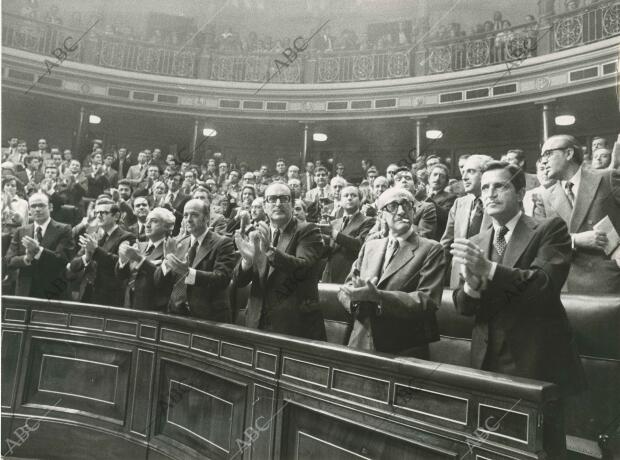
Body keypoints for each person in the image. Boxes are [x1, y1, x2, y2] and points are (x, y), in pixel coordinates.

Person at [451, 161, 586, 457]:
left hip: (536, 359)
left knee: (543, 450)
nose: (490, 193)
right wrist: (472, 285)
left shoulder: (550, 228)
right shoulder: (476, 240)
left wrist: (489, 269)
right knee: (493, 448)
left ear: (521, 191)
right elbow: (463, 306)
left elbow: (543, 286)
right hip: (486, 360)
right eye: (485, 187)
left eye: (500, 186)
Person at [338, 188, 445, 357]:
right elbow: (346, 287)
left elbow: (428, 300)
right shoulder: (370, 246)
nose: (402, 211)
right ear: (381, 216)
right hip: (359, 341)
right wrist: (354, 299)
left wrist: (379, 297)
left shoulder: (431, 248)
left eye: (407, 205)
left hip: (403, 349)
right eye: (393, 206)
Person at [234, 183, 326, 340]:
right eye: (272, 199)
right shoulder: (257, 232)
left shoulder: (308, 230)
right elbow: (238, 281)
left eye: (284, 199)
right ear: (265, 205)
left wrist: (269, 251)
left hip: (294, 326)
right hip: (256, 322)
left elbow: (303, 268)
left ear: (292, 204)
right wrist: (248, 261)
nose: (278, 204)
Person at [537, 134, 620, 294]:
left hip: (611, 280)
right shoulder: (545, 196)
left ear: (569, 153)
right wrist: (575, 240)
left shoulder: (606, 178)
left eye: (548, 154)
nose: (543, 161)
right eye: (542, 157)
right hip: (568, 284)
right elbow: (542, 243)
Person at [155, 199, 238, 321]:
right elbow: (158, 282)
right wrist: (167, 263)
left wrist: (189, 273)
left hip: (208, 318)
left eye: (194, 215)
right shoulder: (179, 243)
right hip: (175, 315)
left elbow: (222, 278)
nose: (188, 219)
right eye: (185, 215)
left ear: (206, 217)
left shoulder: (222, 243)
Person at [4, 193, 75, 299]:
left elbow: (64, 260)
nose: (37, 209)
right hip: (24, 292)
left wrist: (39, 251)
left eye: (41, 205)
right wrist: (26, 258)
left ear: (50, 207)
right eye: (33, 206)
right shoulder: (21, 231)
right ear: (29, 210)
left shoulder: (64, 229)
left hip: (52, 292)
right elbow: (8, 261)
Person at [68, 198, 135, 306]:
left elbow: (120, 265)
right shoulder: (92, 234)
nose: (98, 216)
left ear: (116, 216)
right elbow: (73, 265)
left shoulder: (127, 237)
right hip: (86, 293)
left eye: (103, 213)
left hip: (111, 297)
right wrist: (87, 257)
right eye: (96, 212)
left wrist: (96, 250)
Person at [440, 155, 493, 288]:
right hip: (458, 278)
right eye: (463, 172)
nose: (464, 177)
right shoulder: (459, 203)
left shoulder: (497, 203)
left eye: (471, 171)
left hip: (488, 279)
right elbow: (446, 244)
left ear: (486, 174)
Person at [115, 207, 175, 310]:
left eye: (154, 221)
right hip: (129, 302)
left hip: (152, 308)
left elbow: (163, 280)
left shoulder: (171, 248)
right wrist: (122, 260)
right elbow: (121, 277)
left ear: (167, 226)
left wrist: (139, 259)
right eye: (147, 220)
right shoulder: (139, 245)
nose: (147, 225)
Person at [321, 186, 375, 283]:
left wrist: (333, 233)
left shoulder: (368, 221)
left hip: (350, 276)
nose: (349, 198)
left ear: (360, 201)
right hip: (329, 276)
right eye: (346, 196)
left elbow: (359, 245)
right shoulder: (334, 223)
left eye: (353, 195)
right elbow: (327, 252)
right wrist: (321, 239)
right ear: (340, 201)